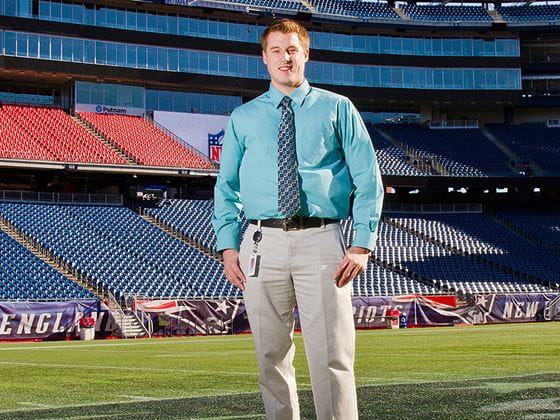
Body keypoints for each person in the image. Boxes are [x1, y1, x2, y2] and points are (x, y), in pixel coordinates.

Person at [212, 19, 384, 420]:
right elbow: (226, 188)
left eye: (292, 49)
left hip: (321, 240)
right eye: (276, 50)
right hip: (260, 242)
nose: (285, 58)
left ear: (305, 54)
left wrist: (362, 243)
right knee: (270, 356)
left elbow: (367, 177)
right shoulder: (244, 117)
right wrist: (227, 245)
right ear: (264, 59)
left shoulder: (338, 107)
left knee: (331, 354)